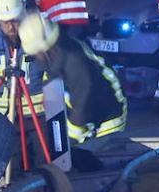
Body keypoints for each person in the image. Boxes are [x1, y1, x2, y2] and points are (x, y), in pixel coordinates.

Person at [19, 11, 126, 145]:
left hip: (109, 112)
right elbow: (53, 81)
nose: (36, 57)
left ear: (44, 49)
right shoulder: (53, 54)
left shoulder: (74, 61)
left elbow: (83, 101)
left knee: (102, 157)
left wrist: (70, 141)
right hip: (87, 111)